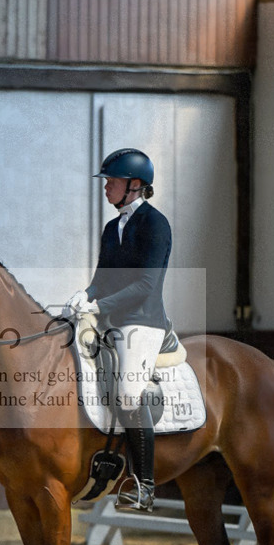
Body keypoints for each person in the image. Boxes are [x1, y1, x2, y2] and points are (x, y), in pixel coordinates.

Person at [65, 148, 172, 512]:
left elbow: (146, 285)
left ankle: (144, 486)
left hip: (142, 321)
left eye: (111, 181)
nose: (106, 186)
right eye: (107, 180)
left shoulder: (155, 225)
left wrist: (100, 306)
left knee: (127, 393)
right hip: (110, 319)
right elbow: (102, 280)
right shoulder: (112, 228)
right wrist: (85, 295)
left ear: (135, 185)